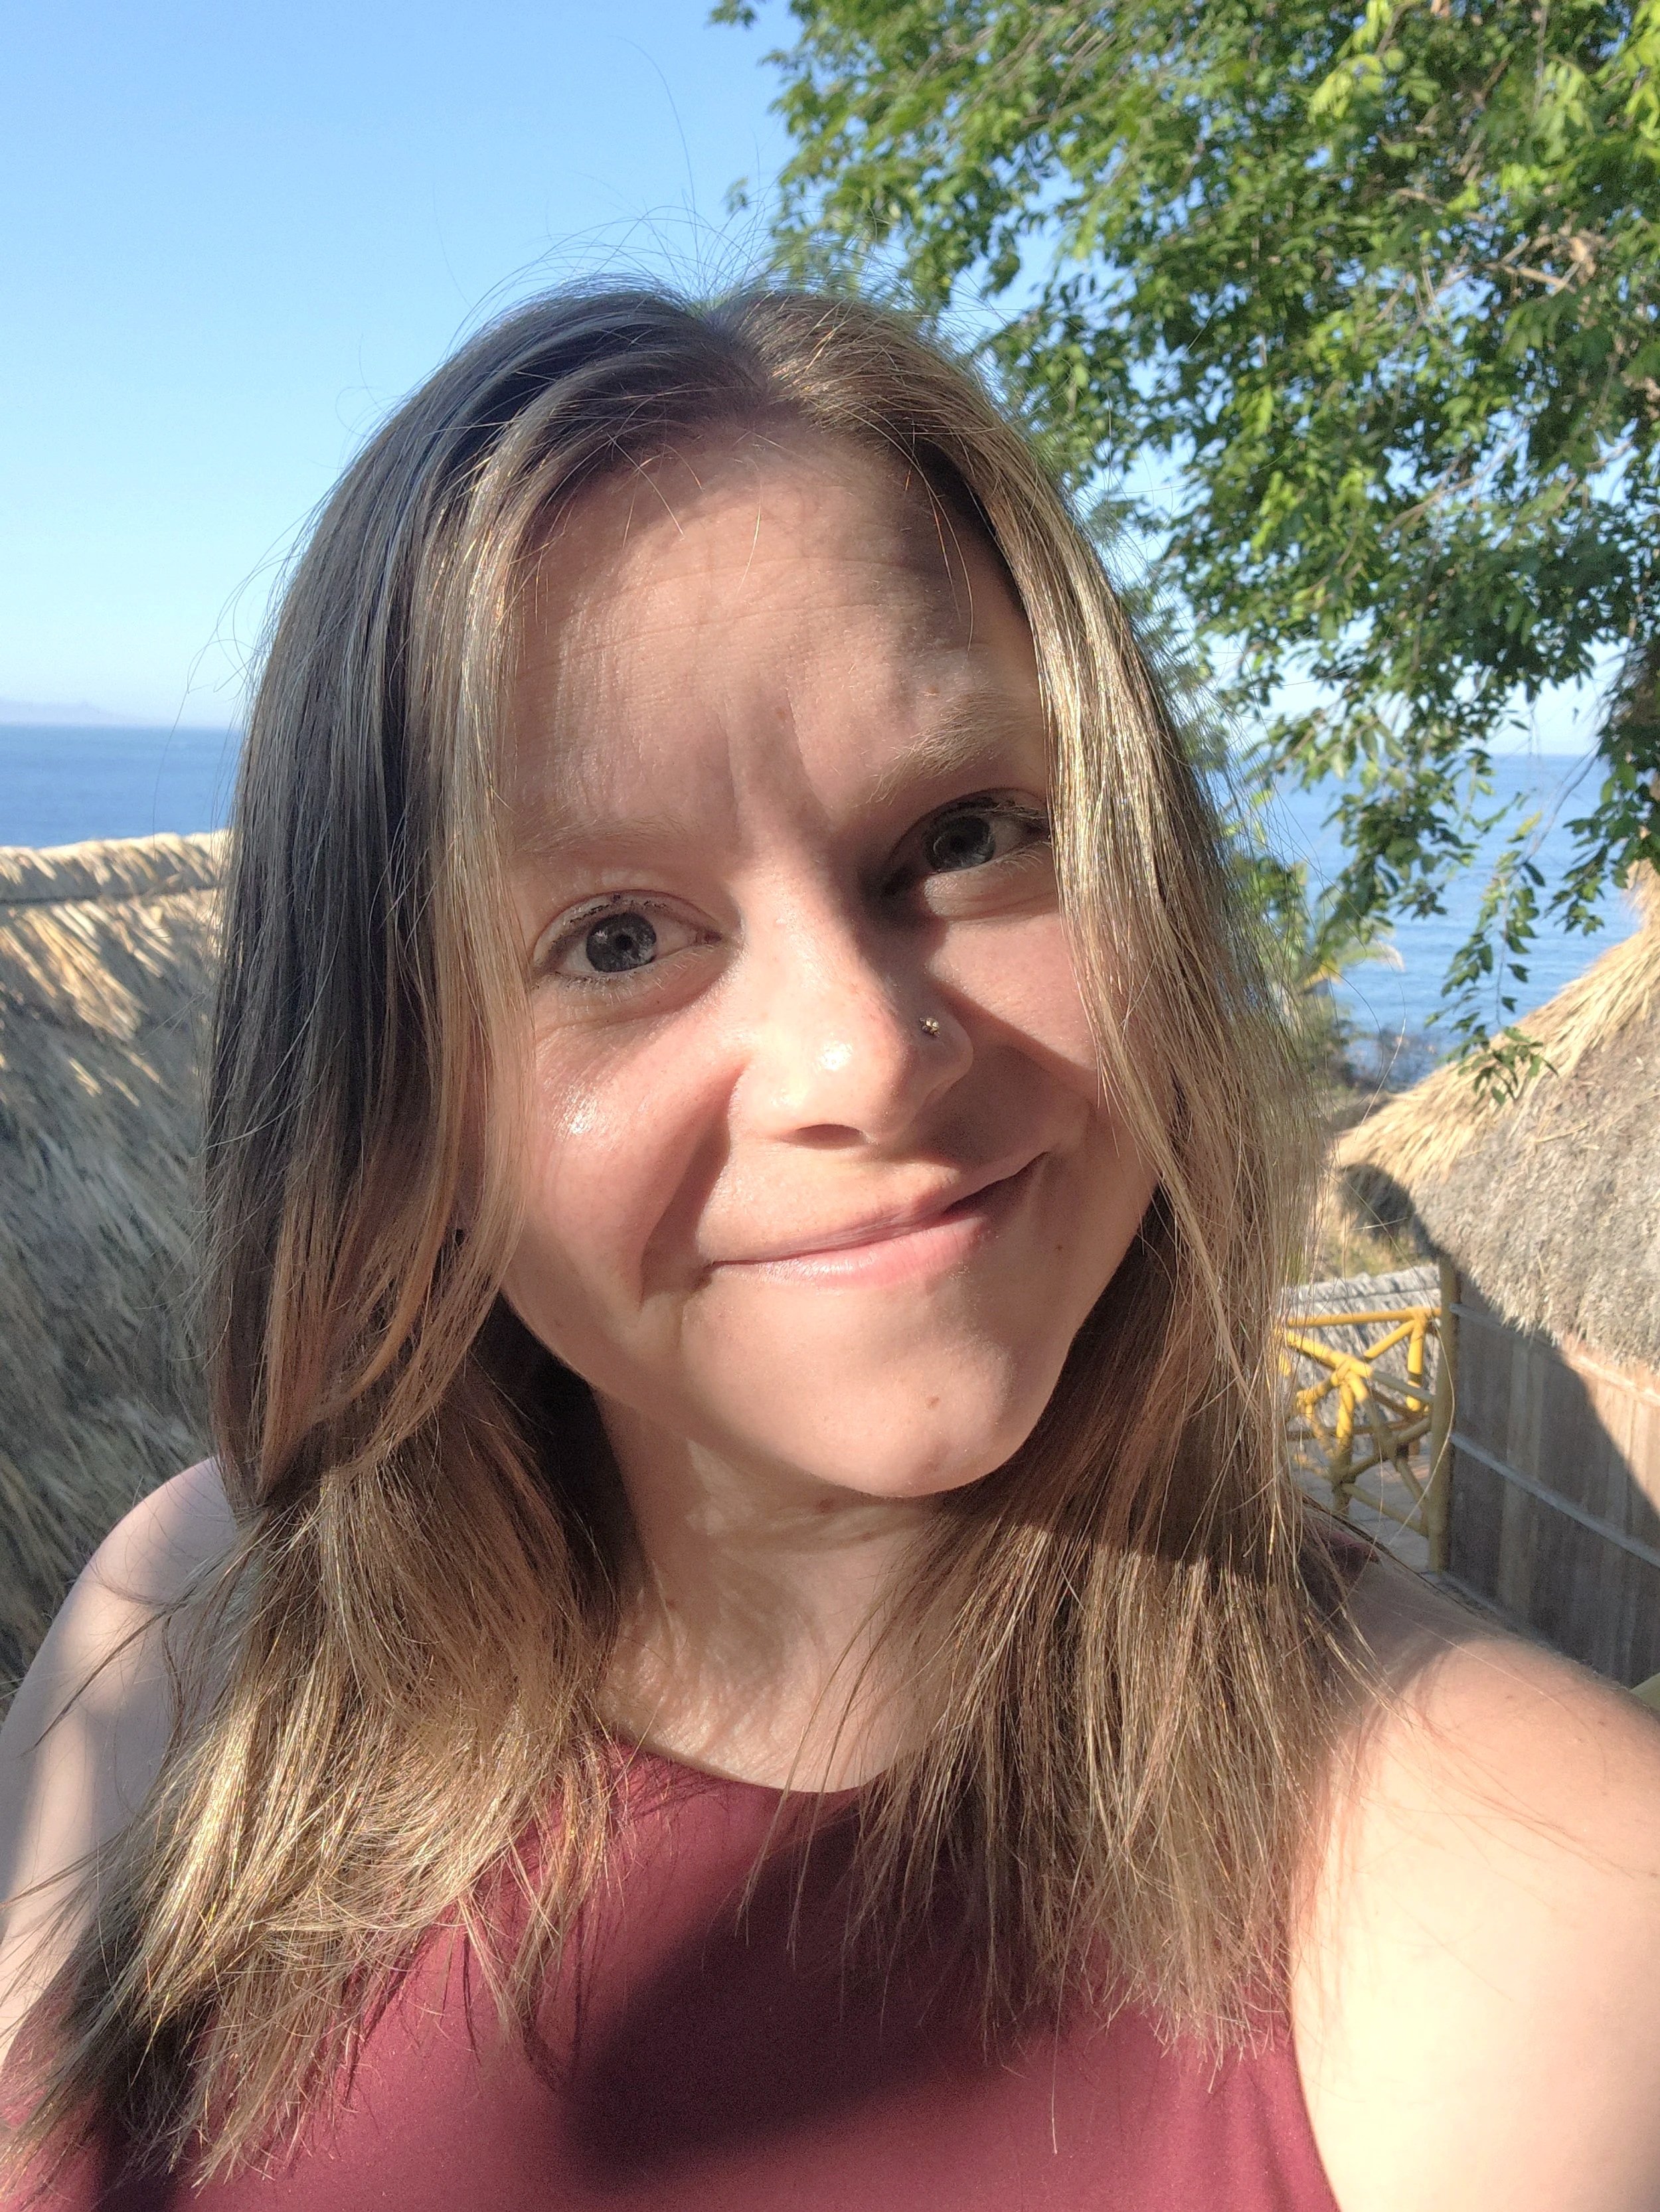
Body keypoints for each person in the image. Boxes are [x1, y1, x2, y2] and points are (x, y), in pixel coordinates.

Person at [0, 285, 1657, 2212]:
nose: (864, 1057)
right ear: (399, 1106)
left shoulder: (1525, 1904)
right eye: (615, 937)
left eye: (964, 831)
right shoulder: (191, 1646)